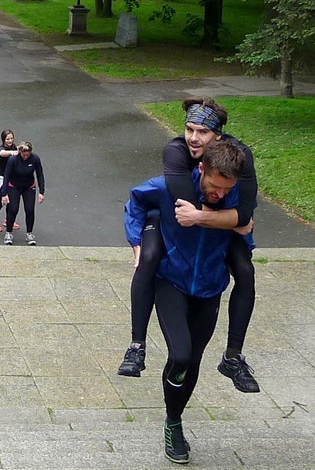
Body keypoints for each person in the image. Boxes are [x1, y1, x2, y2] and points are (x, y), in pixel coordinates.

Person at [117, 98, 261, 394]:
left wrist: (234, 224)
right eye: (190, 129)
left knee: (245, 271)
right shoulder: (177, 153)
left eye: (203, 132)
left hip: (212, 243)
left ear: (218, 136)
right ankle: (136, 345)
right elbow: (146, 201)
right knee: (150, 257)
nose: (194, 138)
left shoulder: (236, 162)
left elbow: (245, 213)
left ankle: (233, 356)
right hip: (171, 221)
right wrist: (136, 242)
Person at [123, 140, 250, 464]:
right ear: (202, 169)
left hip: (210, 287)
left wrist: (243, 239)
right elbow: (135, 201)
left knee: (192, 361)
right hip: (172, 281)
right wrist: (137, 243)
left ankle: (174, 422)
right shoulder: (170, 186)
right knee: (179, 355)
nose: (219, 194)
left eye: (227, 189)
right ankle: (171, 413)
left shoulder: (235, 195)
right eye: (215, 186)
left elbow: (244, 227)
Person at [0, 141, 44, 245]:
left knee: (29, 209)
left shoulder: (35, 159)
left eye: (27, 155)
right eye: (24, 155)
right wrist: (4, 193)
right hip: (14, 186)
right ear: (20, 152)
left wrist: (41, 192)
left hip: (29, 186)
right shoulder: (13, 159)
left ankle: (29, 234)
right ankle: (9, 233)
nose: (25, 157)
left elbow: (40, 174)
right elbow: (6, 175)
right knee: (13, 209)